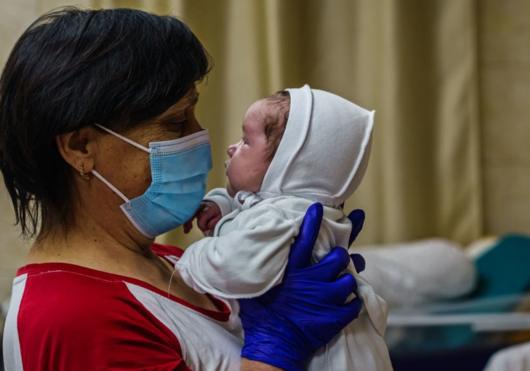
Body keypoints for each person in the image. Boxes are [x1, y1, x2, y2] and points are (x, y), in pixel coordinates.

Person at [0, 7, 368, 371]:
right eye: (175, 123)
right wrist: (279, 343)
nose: (200, 139)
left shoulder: (170, 262)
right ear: (81, 147)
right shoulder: (72, 317)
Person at [175, 86, 393, 371]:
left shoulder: (281, 215)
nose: (232, 147)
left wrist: (189, 262)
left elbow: (236, 265)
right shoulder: (292, 208)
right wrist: (221, 208)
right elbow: (248, 207)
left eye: (246, 141)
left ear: (287, 165)